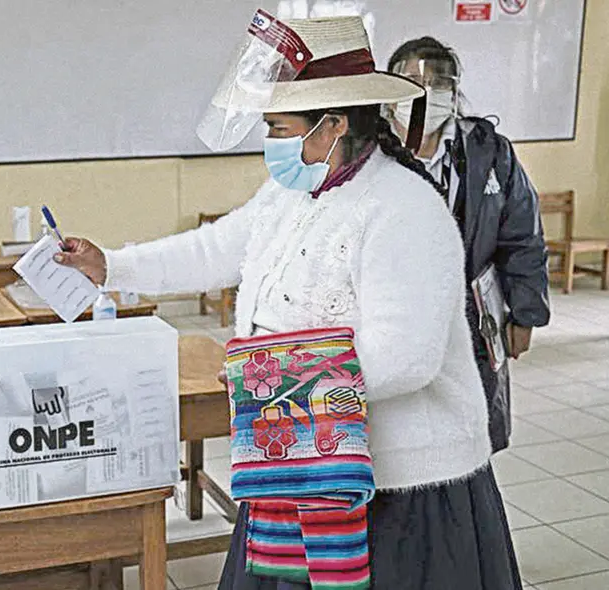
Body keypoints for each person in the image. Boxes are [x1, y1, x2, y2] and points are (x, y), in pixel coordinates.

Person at [58, 16, 520, 589]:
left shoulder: (403, 209)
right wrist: (113, 265)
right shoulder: (293, 192)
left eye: (278, 127)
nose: (270, 143)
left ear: (331, 125)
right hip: (303, 459)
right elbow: (215, 247)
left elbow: (407, 358)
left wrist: (268, 384)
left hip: (399, 490)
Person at [385, 37, 550, 453]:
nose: (425, 92)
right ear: (388, 95)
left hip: (472, 318)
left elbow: (523, 239)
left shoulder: (489, 152)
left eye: (438, 82)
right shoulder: (368, 152)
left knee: (467, 435)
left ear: (454, 92)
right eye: (410, 82)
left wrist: (526, 315)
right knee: (399, 438)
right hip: (393, 318)